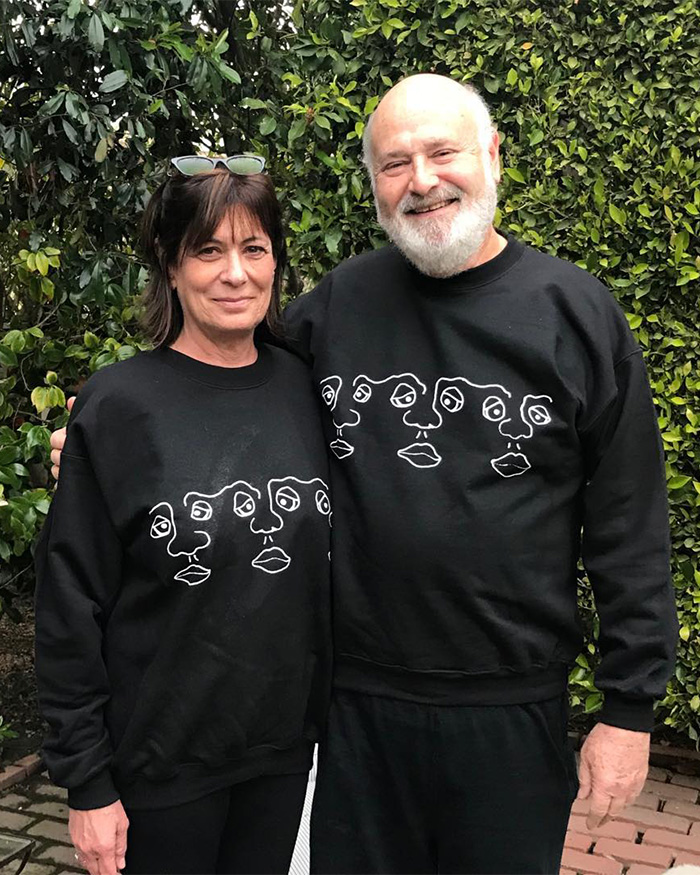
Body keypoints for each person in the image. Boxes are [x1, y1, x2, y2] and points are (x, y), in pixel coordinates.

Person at [51, 75, 678, 874]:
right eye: (394, 163)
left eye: (442, 152)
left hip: (510, 709)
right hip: (354, 712)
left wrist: (629, 709)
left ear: (492, 156)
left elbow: (629, 519)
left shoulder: (577, 316)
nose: (421, 179)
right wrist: (101, 452)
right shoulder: (338, 307)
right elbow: (218, 398)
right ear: (374, 185)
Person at [35, 158, 332, 875]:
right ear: (170, 266)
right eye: (209, 250)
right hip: (159, 768)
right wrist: (87, 782)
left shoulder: (309, 387)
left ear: (276, 263)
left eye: (254, 248)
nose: (235, 272)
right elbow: (70, 604)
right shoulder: (118, 406)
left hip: (281, 754)